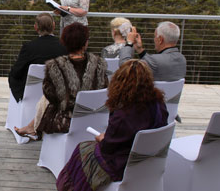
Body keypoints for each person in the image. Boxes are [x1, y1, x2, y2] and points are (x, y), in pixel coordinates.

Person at [56, 60, 169, 191]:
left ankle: (70, 187)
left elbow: (108, 148)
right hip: (149, 161)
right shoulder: (159, 105)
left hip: (122, 165)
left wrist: (102, 139)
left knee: (82, 149)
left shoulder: (123, 115)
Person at [15, 23, 108, 138]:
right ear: (86, 43)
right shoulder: (99, 65)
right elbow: (104, 90)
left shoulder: (55, 66)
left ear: (64, 43)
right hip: (96, 118)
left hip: (64, 121)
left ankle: (34, 128)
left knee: (47, 102)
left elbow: (50, 95)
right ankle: (32, 128)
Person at [8, 13, 67, 102]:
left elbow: (16, 72)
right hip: (58, 94)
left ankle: (21, 104)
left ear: (36, 27)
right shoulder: (64, 46)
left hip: (32, 97)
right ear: (54, 26)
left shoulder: (29, 47)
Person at [119, 21, 187, 81]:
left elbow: (125, 67)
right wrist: (139, 49)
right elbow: (153, 63)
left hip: (152, 95)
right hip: (172, 95)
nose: (154, 39)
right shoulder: (182, 59)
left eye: (155, 36)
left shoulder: (154, 61)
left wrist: (129, 43)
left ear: (160, 39)